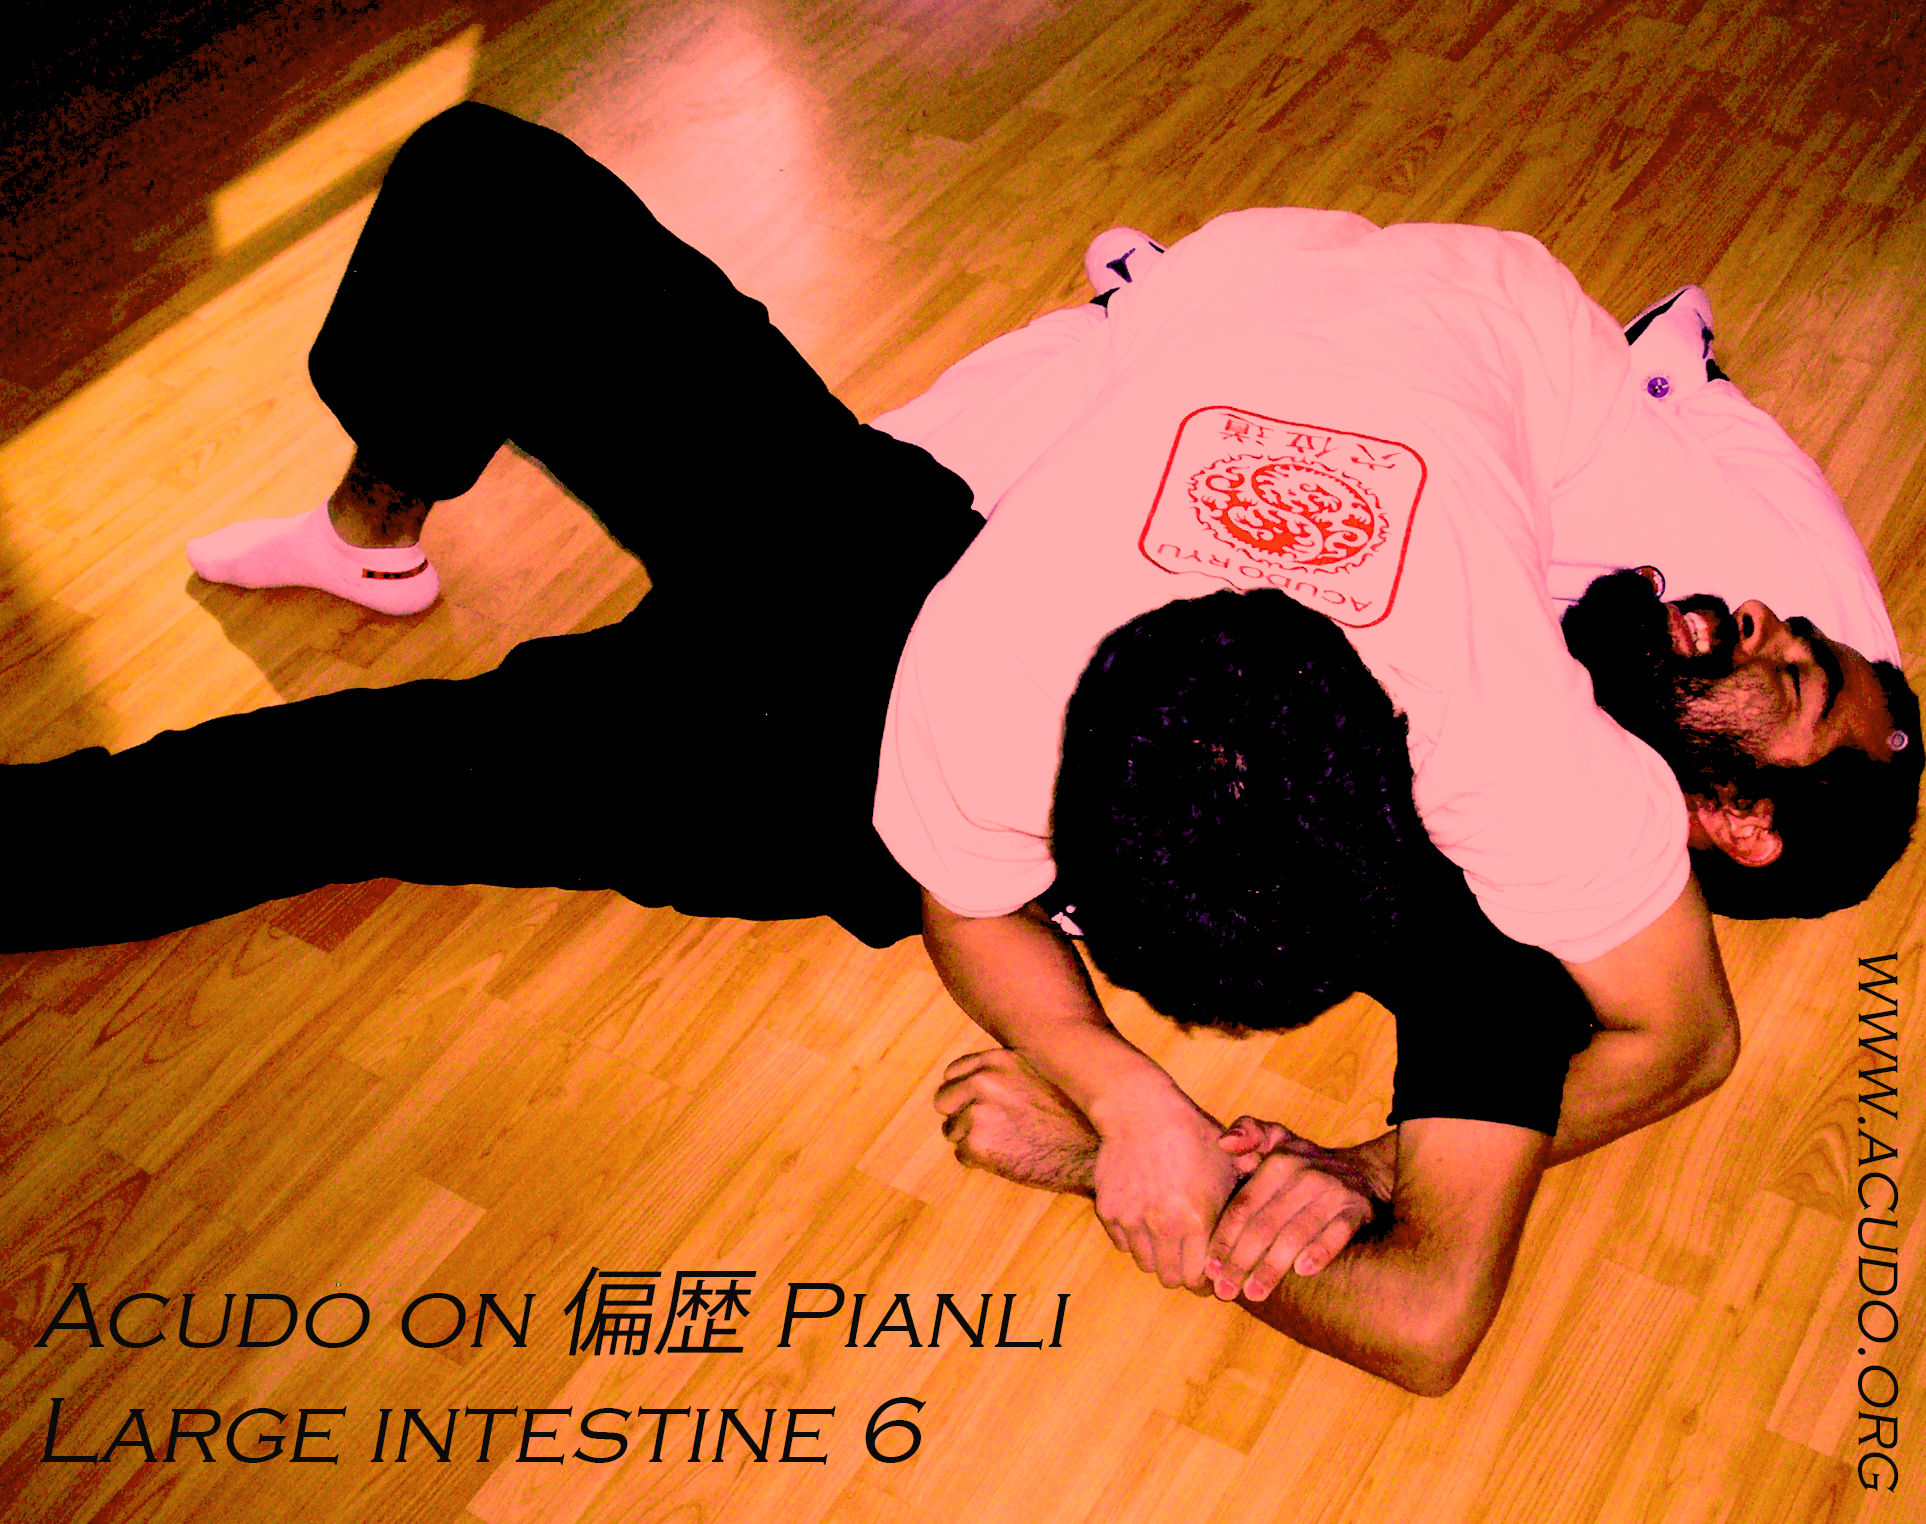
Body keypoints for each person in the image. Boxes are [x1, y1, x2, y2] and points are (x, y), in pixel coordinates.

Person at [4, 106, 1916, 1393]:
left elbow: (1465, 1274)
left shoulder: (1538, 822)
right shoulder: (1081, 626)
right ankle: (378, 518)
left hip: (824, 764)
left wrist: (1173, 1150)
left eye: (1810, 681)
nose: (1777, 619)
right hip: (901, 564)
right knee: (480, 180)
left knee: (344, 786)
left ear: (1732, 827)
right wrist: (1123, 1102)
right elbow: (969, 890)